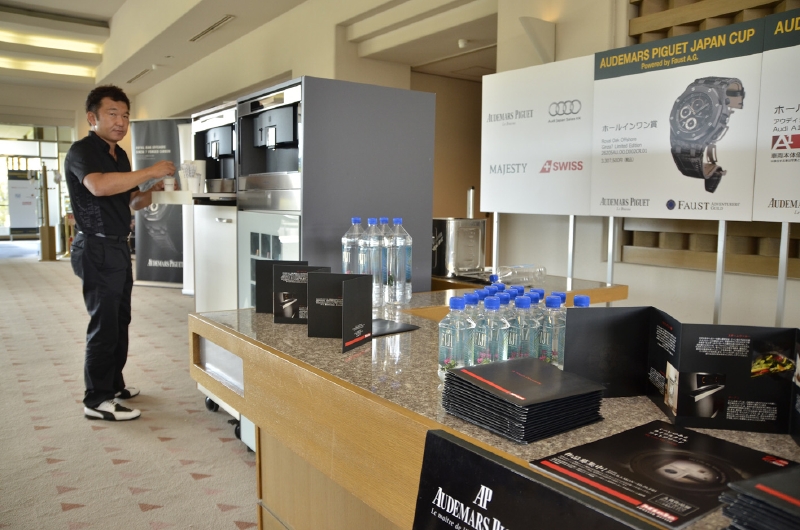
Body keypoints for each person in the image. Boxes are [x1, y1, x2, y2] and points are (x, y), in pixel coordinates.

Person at [65, 85, 176, 421]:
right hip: (95, 246)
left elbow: (133, 202)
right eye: (112, 114)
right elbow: (98, 186)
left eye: (125, 115)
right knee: (104, 323)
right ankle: (96, 398)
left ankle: (113, 385)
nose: (121, 121)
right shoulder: (82, 151)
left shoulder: (121, 156)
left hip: (117, 246)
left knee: (119, 319)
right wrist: (151, 171)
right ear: (92, 117)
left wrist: (152, 190)